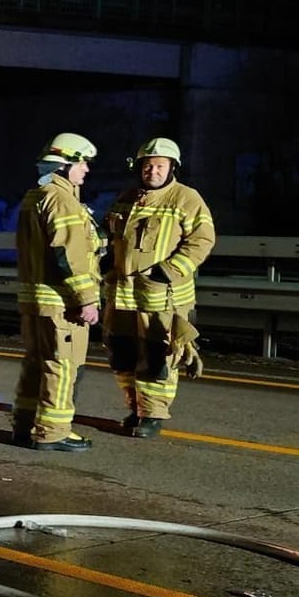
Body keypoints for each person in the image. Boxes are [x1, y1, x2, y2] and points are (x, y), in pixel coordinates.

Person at [103, 138, 215, 438]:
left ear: (172, 168)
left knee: (156, 356)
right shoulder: (126, 198)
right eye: (148, 165)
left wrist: (167, 272)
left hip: (161, 297)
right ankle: (136, 408)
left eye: (159, 166)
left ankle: (153, 414)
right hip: (123, 296)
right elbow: (110, 235)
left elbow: (202, 241)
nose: (152, 171)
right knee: (122, 355)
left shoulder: (187, 199)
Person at [12, 133, 103, 451]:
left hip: (37, 300)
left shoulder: (35, 195)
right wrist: (87, 298)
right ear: (65, 165)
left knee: (37, 362)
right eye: (82, 163)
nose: (86, 170)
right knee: (62, 365)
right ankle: (53, 432)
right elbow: (70, 253)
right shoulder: (62, 199)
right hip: (60, 302)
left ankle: (24, 426)